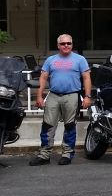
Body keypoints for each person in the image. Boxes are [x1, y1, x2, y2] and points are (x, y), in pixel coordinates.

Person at [31, 34, 91, 166]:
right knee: (47, 125)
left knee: (70, 126)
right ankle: (44, 155)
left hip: (72, 96)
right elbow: (43, 78)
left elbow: (86, 78)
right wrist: (39, 96)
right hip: (53, 95)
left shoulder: (80, 59)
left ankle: (67, 154)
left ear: (72, 44)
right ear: (58, 45)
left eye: (68, 43)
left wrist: (87, 96)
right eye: (63, 43)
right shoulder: (51, 60)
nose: (66, 46)